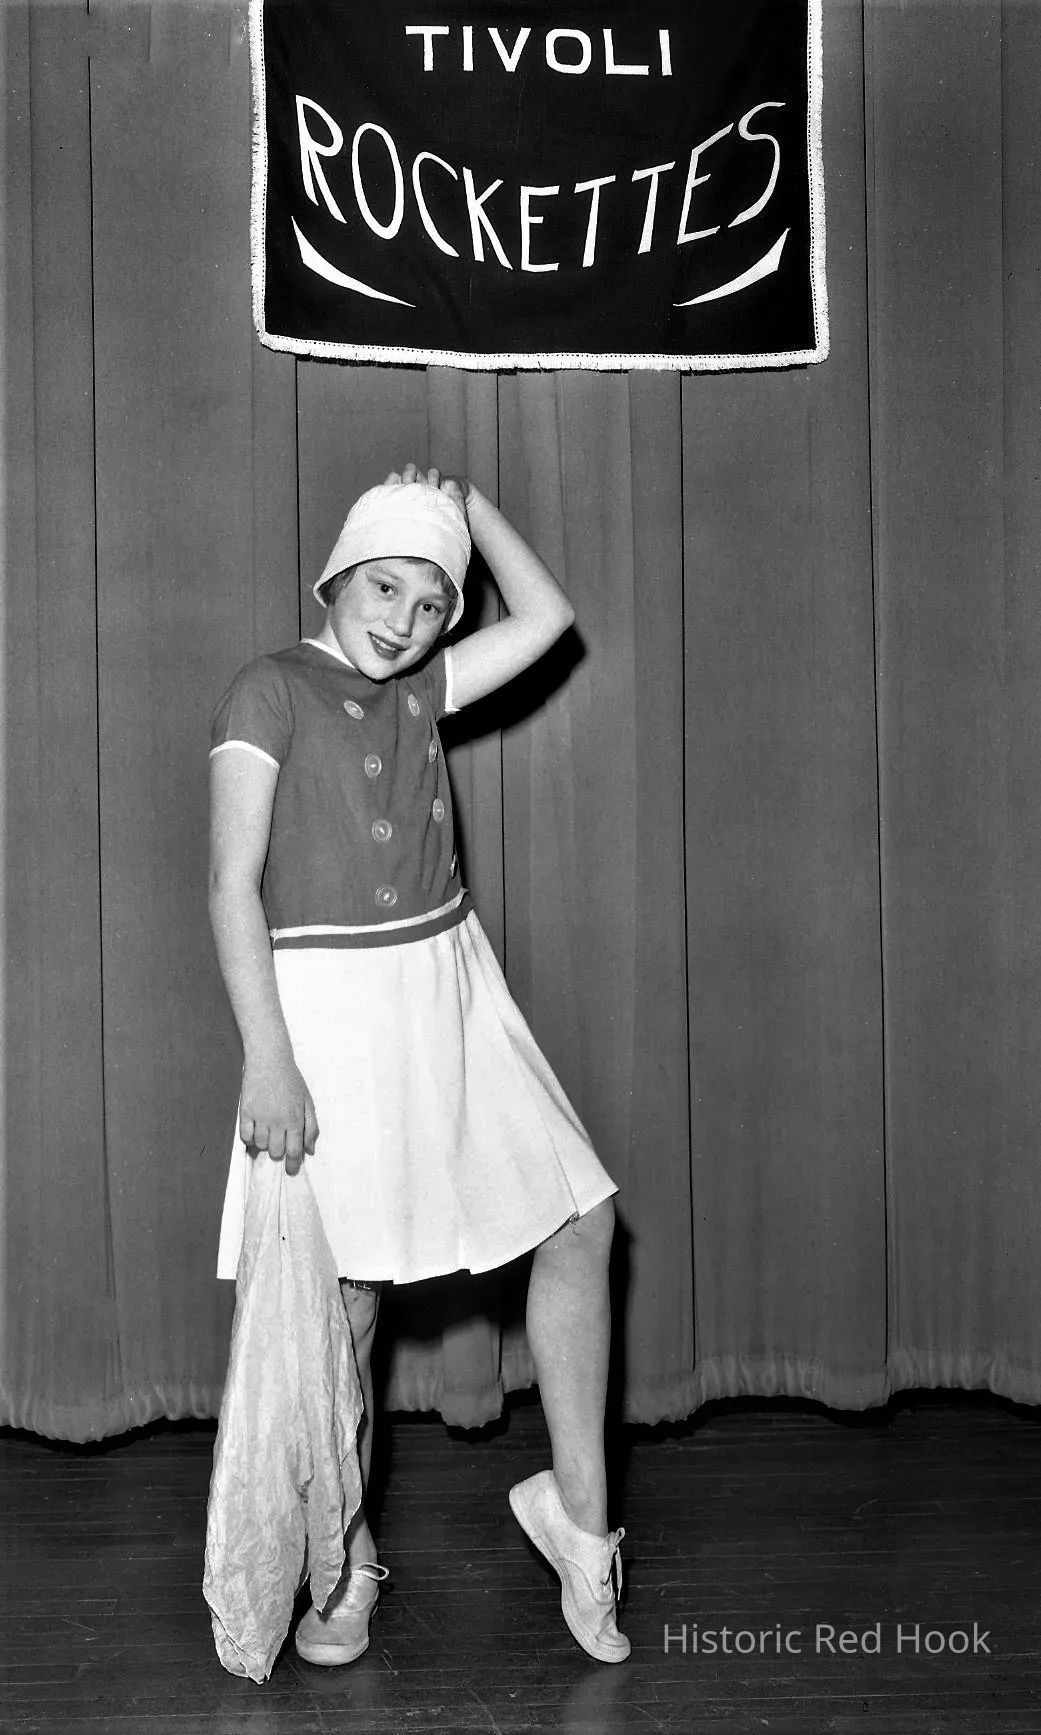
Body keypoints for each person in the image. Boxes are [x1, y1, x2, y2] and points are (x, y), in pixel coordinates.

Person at [207, 462, 629, 1667]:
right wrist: (269, 1061)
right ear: (335, 577)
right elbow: (231, 883)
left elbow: (546, 617)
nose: (404, 619)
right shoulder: (268, 687)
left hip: (448, 989)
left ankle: (579, 1522)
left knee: (582, 1220)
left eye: (433, 601)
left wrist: (470, 507)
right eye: (384, 586)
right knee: (345, 1300)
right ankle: (341, 1560)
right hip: (326, 1012)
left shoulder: (424, 686)